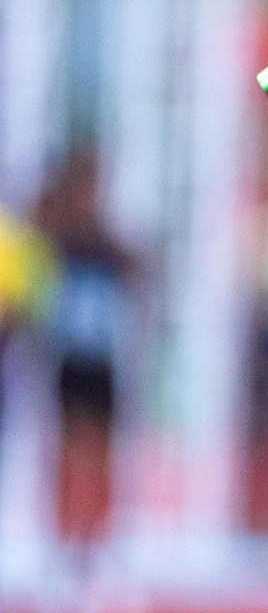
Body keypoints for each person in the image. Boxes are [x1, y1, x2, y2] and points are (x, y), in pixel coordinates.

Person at [34, 148, 135, 552]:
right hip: (72, 357)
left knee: (101, 450)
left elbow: (133, 266)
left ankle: (96, 535)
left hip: (101, 357)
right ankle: (64, 533)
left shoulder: (105, 242)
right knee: (68, 447)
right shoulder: (61, 239)